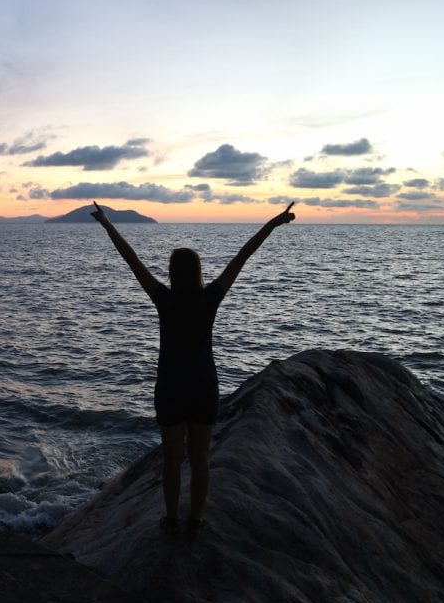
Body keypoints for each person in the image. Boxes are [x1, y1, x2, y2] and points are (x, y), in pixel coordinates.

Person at [91, 201, 295, 537]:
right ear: (198, 270)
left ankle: (171, 518)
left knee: (172, 460)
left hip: (171, 387)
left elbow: (132, 260)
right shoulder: (210, 297)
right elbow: (242, 257)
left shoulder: (164, 299)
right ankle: (196, 521)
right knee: (200, 460)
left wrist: (107, 224)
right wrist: (271, 225)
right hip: (202, 386)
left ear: (172, 272)